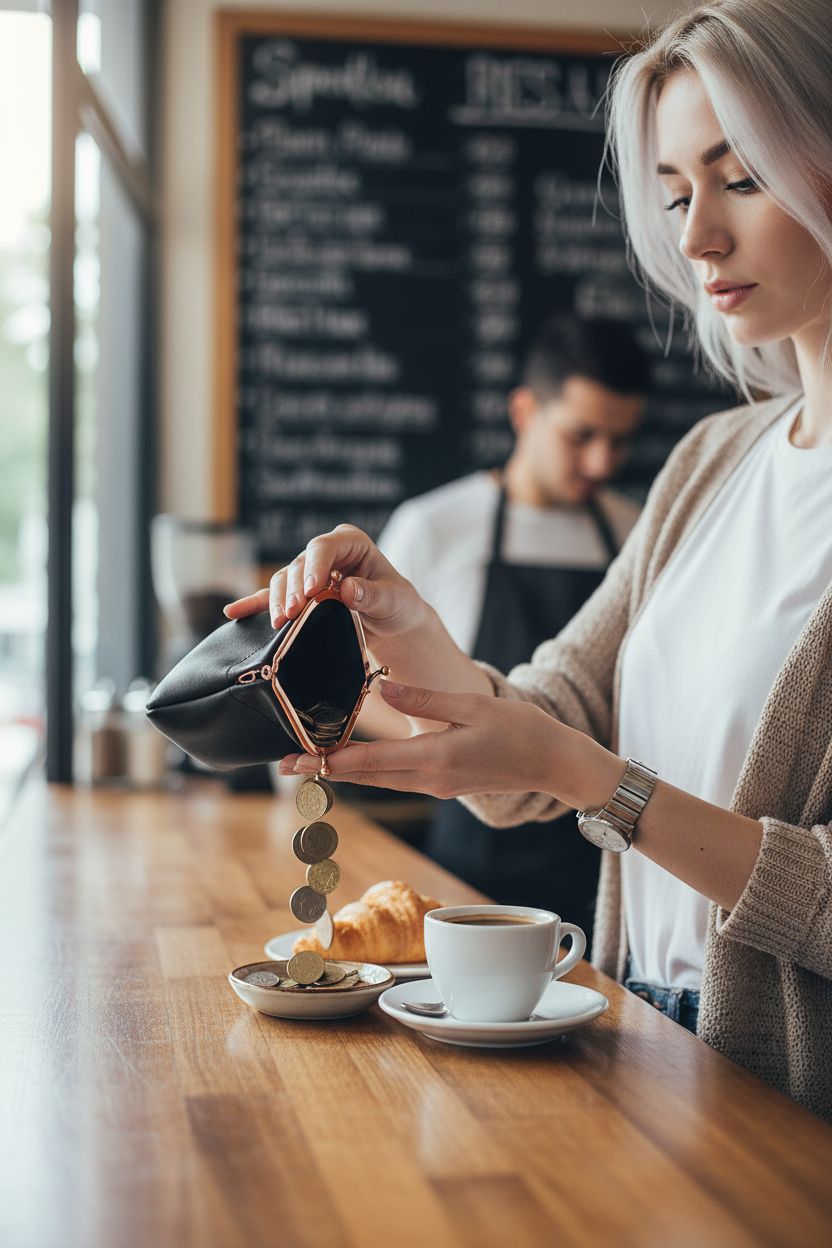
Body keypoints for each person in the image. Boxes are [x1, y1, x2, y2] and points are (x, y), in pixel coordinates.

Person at [226, 0, 832, 1121]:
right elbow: (537, 736)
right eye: (672, 191)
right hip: (643, 1038)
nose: (695, 236)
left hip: (792, 1094)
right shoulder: (713, 461)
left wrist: (590, 778)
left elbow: (571, 765)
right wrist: (410, 632)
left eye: (738, 177)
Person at [375, 316, 647, 941]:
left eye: (620, 441)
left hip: (606, 851)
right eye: (580, 436)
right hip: (474, 848)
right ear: (524, 411)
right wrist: (460, 749)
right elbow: (363, 686)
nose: (601, 461)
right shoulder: (435, 526)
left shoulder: (636, 534)